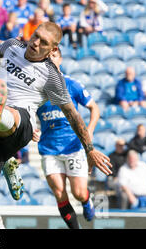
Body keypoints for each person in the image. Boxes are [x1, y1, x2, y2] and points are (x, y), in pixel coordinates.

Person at [0, 21, 112, 229]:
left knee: (1, 102)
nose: (36, 43)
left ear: (53, 49)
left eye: (44, 42)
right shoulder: (14, 46)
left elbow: (73, 115)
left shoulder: (52, 77)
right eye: (36, 36)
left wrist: (90, 149)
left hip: (21, 123)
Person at [35, 48, 99, 228]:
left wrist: (90, 131)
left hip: (73, 147)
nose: (50, 60)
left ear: (60, 59)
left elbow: (94, 108)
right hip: (49, 150)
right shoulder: (37, 89)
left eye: (53, 56)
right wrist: (32, 128)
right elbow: (28, 113)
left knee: (78, 193)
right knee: (59, 192)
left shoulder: (72, 84)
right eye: (46, 58)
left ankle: (86, 201)